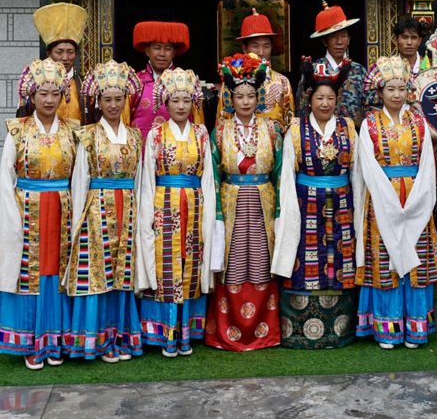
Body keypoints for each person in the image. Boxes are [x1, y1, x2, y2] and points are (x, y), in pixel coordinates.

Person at [352, 56, 437, 350]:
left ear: (409, 91)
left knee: (414, 258)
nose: (396, 94)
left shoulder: (419, 121)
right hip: (382, 197)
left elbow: (427, 165)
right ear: (379, 92)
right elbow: (366, 167)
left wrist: (420, 198)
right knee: (385, 260)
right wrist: (387, 200)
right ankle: (387, 326)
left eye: (401, 88)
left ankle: (415, 326)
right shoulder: (369, 122)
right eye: (390, 88)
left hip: (415, 196)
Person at [0, 58, 77, 370]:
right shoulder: (17, 130)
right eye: (43, 93)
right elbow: (4, 178)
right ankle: (29, 341)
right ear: (32, 96)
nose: (50, 99)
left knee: (58, 270)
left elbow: (80, 176)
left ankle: (56, 341)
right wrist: (10, 218)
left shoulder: (73, 131)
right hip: (27, 208)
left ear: (63, 95)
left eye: (55, 93)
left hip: (62, 208)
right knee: (30, 273)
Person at [271, 56, 359, 349]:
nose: (325, 103)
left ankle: (340, 330)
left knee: (340, 259)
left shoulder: (348, 127)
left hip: (342, 203)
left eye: (330, 98)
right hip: (304, 202)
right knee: (304, 259)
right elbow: (286, 173)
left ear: (337, 100)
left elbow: (356, 173)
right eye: (319, 97)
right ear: (309, 100)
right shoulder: (295, 129)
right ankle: (297, 331)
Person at [64, 60, 144, 363]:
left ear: (126, 100)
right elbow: (81, 180)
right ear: (97, 101)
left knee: (123, 275)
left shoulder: (136, 136)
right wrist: (77, 224)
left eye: (118, 99)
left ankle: (120, 337)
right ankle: (94, 341)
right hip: (96, 211)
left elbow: (139, 181)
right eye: (107, 99)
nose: (113, 105)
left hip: (128, 208)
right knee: (98, 274)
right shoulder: (87, 135)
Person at [136, 68, 217, 357]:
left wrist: (209, 212)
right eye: (175, 101)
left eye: (186, 101)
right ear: (165, 104)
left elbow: (208, 176)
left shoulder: (202, 133)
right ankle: (165, 333)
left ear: (193, 103)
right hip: (164, 202)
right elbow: (147, 179)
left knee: (190, 261)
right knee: (166, 264)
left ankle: (186, 332)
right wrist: (147, 215)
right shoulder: (155, 135)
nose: (181, 106)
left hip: (195, 203)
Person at [205, 53, 283, 351]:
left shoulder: (273, 130)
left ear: (258, 97)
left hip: (263, 199)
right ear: (230, 98)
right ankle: (227, 332)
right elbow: (213, 174)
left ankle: (265, 332)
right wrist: (216, 213)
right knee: (232, 262)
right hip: (231, 200)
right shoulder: (220, 131)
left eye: (251, 95)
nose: (246, 101)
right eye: (240, 96)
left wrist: (278, 209)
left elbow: (277, 172)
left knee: (262, 262)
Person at [216, 9, 295, 135]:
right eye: (255, 46)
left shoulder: (282, 82)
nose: (261, 52)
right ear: (244, 48)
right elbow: (222, 123)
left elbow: (290, 126)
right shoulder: (231, 80)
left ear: (272, 47)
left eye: (266, 46)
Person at [124, 21, 204, 141]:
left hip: (179, 154)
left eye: (167, 49)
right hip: (141, 155)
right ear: (147, 50)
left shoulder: (188, 82)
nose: (162, 54)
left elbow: (197, 122)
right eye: (157, 48)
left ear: (174, 52)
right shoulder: (134, 83)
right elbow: (123, 122)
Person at [295, 0, 368, 127]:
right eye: (334, 37)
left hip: (353, 135)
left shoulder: (359, 71)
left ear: (349, 40)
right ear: (324, 41)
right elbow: (302, 107)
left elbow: (370, 107)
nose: (339, 42)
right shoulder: (312, 70)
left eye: (343, 36)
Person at [17, 3, 93, 125]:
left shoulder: (85, 85)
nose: (65, 58)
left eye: (70, 52)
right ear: (49, 54)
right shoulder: (33, 84)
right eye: (59, 52)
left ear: (76, 54)